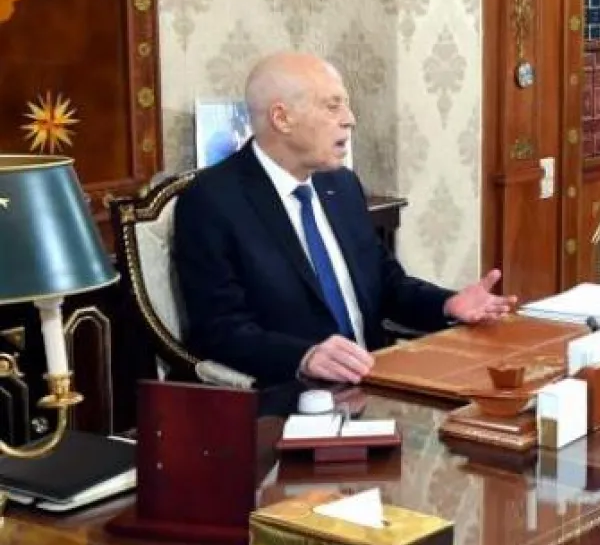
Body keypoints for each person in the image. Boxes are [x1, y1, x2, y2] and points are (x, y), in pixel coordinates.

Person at [174, 52, 517, 386]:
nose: (350, 118)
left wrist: (447, 303)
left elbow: (387, 284)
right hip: (293, 398)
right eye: (332, 106)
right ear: (282, 118)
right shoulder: (212, 200)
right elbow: (220, 329)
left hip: (379, 378)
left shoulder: (340, 184)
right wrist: (303, 357)